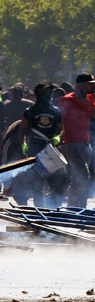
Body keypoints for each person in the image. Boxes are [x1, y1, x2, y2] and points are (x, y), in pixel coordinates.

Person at [57, 73, 95, 208]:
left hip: (85, 143)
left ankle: (76, 207)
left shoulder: (90, 99)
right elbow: (59, 121)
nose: (92, 86)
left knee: (77, 177)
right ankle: (77, 205)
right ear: (80, 85)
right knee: (84, 175)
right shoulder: (67, 100)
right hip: (70, 143)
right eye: (89, 83)